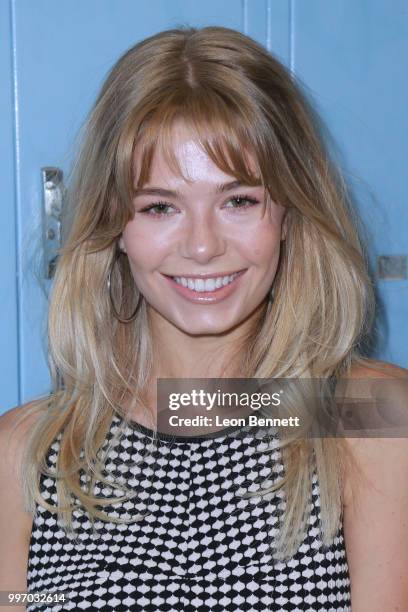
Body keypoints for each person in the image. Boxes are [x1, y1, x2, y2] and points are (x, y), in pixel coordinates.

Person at [1, 25, 408, 612]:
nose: (201, 246)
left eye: (238, 200)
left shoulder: (372, 417)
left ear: (290, 213)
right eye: (160, 206)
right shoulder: (28, 449)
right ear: (115, 225)